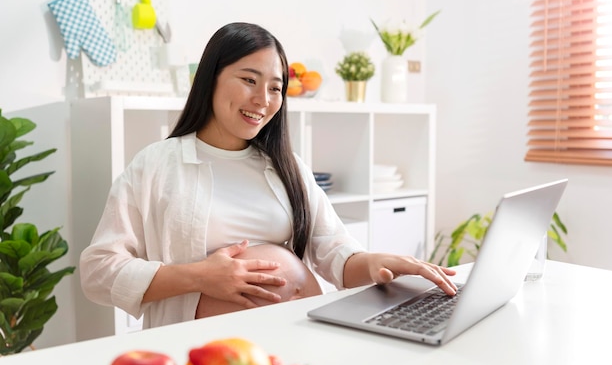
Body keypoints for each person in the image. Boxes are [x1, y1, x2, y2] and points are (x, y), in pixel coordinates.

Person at [79, 22, 457, 329]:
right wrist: (199, 276)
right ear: (211, 77)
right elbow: (98, 272)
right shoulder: (157, 165)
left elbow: (334, 253)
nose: (263, 99)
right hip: (210, 353)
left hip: (296, 337)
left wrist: (376, 263)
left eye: (276, 87)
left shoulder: (285, 165)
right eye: (248, 80)